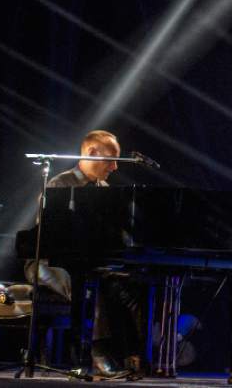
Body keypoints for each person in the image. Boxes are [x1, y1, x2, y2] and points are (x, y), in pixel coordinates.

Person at [24, 130, 145, 380]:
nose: (114, 167)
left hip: (87, 260)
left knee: (131, 287)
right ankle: (96, 354)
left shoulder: (105, 189)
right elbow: (48, 238)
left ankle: (134, 353)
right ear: (91, 153)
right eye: (111, 159)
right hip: (48, 263)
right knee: (89, 285)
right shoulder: (59, 184)